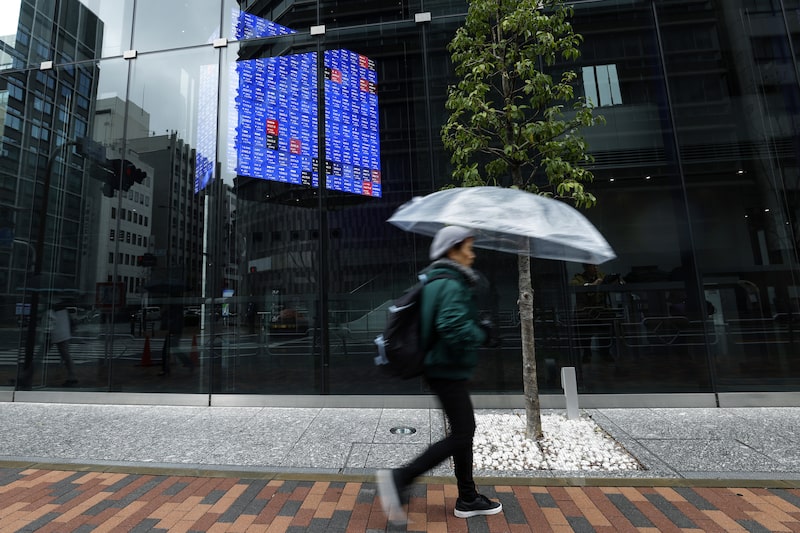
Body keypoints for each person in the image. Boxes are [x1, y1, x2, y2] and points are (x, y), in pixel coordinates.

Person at [376, 225, 502, 524]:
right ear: (452, 250)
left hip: (443, 367)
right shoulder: (450, 283)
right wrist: (482, 333)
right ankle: (401, 478)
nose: (472, 254)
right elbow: (451, 326)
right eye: (468, 247)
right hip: (446, 368)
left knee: (463, 432)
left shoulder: (439, 280)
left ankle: (468, 498)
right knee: (462, 433)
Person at [42, 304, 77, 386]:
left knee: (62, 351)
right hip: (60, 316)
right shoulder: (62, 308)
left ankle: (27, 374)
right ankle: (72, 376)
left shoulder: (55, 307)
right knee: (64, 352)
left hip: (57, 315)